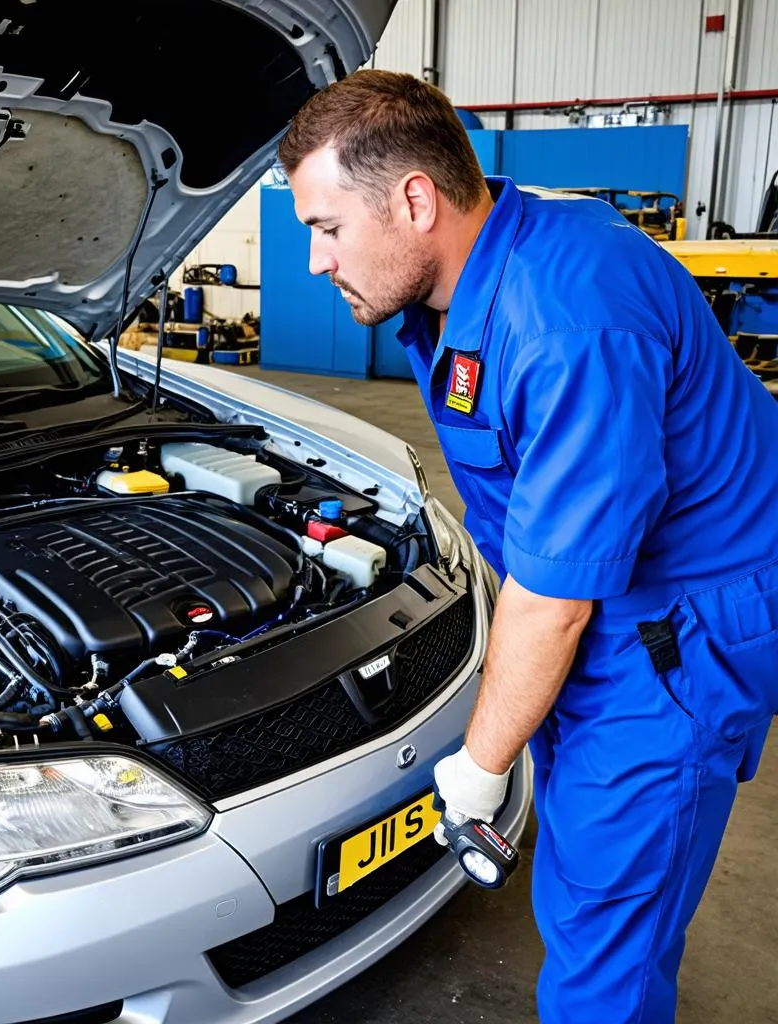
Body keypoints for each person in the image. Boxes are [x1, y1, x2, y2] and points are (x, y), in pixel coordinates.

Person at [278, 69, 778, 1023]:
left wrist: (480, 762)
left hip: (679, 633)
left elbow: (555, 601)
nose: (314, 260)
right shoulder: (472, 270)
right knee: (585, 883)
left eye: (326, 227)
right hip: (612, 599)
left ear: (415, 200)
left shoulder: (564, 319)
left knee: (606, 950)